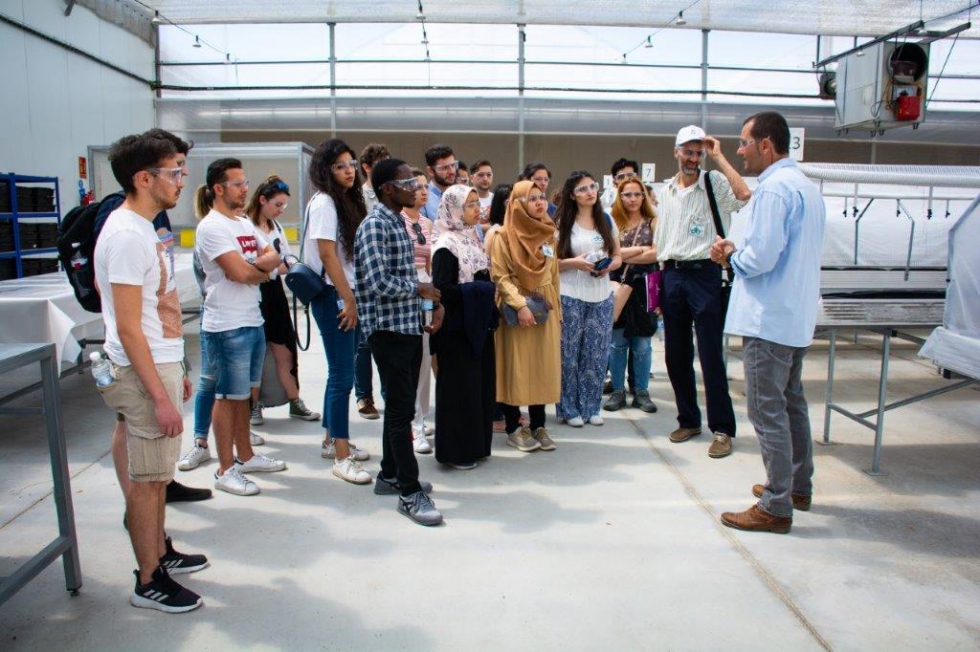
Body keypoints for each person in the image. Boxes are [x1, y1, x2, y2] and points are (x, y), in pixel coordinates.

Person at [95, 129, 207, 612]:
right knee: (148, 480)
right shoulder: (124, 235)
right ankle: (148, 579)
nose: (183, 180)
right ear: (144, 178)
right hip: (141, 374)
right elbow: (127, 328)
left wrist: (177, 365)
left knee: (158, 476)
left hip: (159, 364)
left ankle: (159, 550)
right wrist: (160, 397)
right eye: (174, 171)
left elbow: (155, 311)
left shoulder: (146, 227)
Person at [710, 111, 825, 534]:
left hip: (768, 319)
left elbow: (761, 259)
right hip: (792, 316)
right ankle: (796, 485)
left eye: (743, 143)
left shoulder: (774, 190)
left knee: (766, 409)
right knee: (792, 402)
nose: (738, 151)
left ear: (766, 144)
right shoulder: (804, 188)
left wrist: (729, 255)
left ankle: (776, 506)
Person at [355, 158, 444, 526]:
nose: (415, 186)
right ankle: (409, 491)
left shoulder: (397, 221)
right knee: (399, 411)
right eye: (408, 181)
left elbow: (405, 276)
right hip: (387, 329)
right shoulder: (376, 224)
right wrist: (420, 289)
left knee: (401, 407)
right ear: (387, 189)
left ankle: (389, 475)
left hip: (406, 326)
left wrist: (428, 304)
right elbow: (377, 281)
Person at [655, 125, 751, 459]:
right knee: (675, 354)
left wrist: (719, 155)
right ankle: (689, 419)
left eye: (699, 153)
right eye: (689, 152)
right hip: (672, 275)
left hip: (705, 275)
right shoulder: (666, 190)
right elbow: (662, 236)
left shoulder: (713, 182)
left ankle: (722, 429)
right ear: (677, 151)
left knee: (710, 355)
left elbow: (744, 196)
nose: (694, 159)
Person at [194, 159, 288, 497]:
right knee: (226, 397)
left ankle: (245, 456)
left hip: (252, 319)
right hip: (226, 325)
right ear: (218, 189)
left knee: (244, 397)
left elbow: (272, 254)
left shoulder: (244, 222)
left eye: (245, 182)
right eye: (237, 183)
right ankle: (224, 468)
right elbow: (242, 274)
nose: (245, 188)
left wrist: (257, 266)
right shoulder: (212, 226)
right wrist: (259, 268)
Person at [303, 139, 373, 484]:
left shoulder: (342, 201)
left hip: (344, 293)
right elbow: (328, 256)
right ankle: (342, 456)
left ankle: (332, 440)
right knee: (344, 376)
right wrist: (349, 300)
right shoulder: (325, 203)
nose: (349, 170)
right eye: (340, 166)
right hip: (334, 296)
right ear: (325, 170)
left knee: (338, 373)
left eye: (352, 163)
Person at [490, 180, 561, 452]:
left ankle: (538, 425)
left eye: (541, 197)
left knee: (542, 366)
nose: (540, 202)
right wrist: (520, 305)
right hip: (515, 307)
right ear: (517, 204)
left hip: (546, 305)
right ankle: (513, 427)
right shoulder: (502, 236)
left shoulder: (549, 234)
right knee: (517, 367)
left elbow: (553, 274)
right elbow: (500, 276)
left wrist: (559, 311)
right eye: (531, 198)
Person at [430, 185, 497, 470]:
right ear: (454, 209)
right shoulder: (446, 244)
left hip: (477, 325)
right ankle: (457, 451)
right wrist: (481, 289)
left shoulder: (471, 238)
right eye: (469, 205)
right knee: (460, 389)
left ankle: (477, 446)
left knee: (479, 387)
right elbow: (442, 288)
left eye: (476, 203)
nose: (476, 209)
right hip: (456, 329)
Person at [244, 175, 320, 424]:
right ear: (262, 200)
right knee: (256, 353)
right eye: (277, 205)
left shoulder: (276, 227)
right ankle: (253, 406)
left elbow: (285, 257)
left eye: (284, 206)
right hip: (252, 294)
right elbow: (250, 265)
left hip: (274, 292)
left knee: (284, 350)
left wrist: (284, 265)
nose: (280, 210)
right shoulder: (245, 225)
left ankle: (294, 401)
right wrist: (274, 265)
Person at [555, 171, 621, 427]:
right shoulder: (562, 221)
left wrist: (608, 266)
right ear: (572, 195)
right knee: (569, 354)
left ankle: (591, 406)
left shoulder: (606, 219)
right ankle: (569, 408)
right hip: (570, 293)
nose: (589, 192)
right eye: (582, 189)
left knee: (596, 352)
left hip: (601, 294)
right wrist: (576, 263)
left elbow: (617, 255)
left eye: (592, 187)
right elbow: (551, 262)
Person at [604, 178, 659, 413]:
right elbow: (607, 252)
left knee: (643, 343)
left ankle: (641, 390)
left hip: (645, 286)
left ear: (644, 197)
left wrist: (622, 255)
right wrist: (640, 250)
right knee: (617, 343)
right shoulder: (612, 221)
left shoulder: (653, 221)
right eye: (628, 194)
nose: (633, 199)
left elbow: (657, 253)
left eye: (638, 194)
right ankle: (617, 390)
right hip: (618, 284)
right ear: (620, 196)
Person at [354, 143, 391, 419]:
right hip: (366, 273)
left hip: (390, 271)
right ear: (366, 167)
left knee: (389, 337)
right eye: (379, 163)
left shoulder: (390, 194)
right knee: (365, 341)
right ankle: (363, 395)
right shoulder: (358, 196)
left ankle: (388, 393)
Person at [401, 168, 436, 454]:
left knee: (425, 358)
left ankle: (420, 417)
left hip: (426, 292)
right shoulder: (395, 221)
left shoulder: (427, 223)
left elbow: (430, 264)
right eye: (418, 187)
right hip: (403, 293)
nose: (424, 192)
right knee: (407, 361)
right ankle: (410, 421)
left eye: (426, 187)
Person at [420, 143, 458, 220]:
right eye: (444, 168)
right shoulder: (423, 198)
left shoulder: (461, 195)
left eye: (453, 165)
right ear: (430, 171)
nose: (451, 171)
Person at [359, 142, 390, 213]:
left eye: (388, 163)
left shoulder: (394, 193)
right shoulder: (359, 197)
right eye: (381, 164)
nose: (387, 168)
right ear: (366, 167)